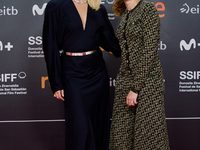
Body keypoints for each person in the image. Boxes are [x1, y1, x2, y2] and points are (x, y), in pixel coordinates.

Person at [42, 0, 121, 149]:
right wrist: (56, 82)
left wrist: (132, 41)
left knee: (99, 124)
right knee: (80, 127)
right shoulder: (56, 6)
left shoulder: (99, 9)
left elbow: (111, 42)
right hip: (72, 74)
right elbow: (50, 46)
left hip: (97, 73)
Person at [109, 0, 170, 149]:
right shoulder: (125, 14)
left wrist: (135, 89)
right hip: (125, 81)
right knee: (121, 136)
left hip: (147, 83)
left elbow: (149, 50)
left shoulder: (148, 9)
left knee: (148, 139)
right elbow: (121, 49)